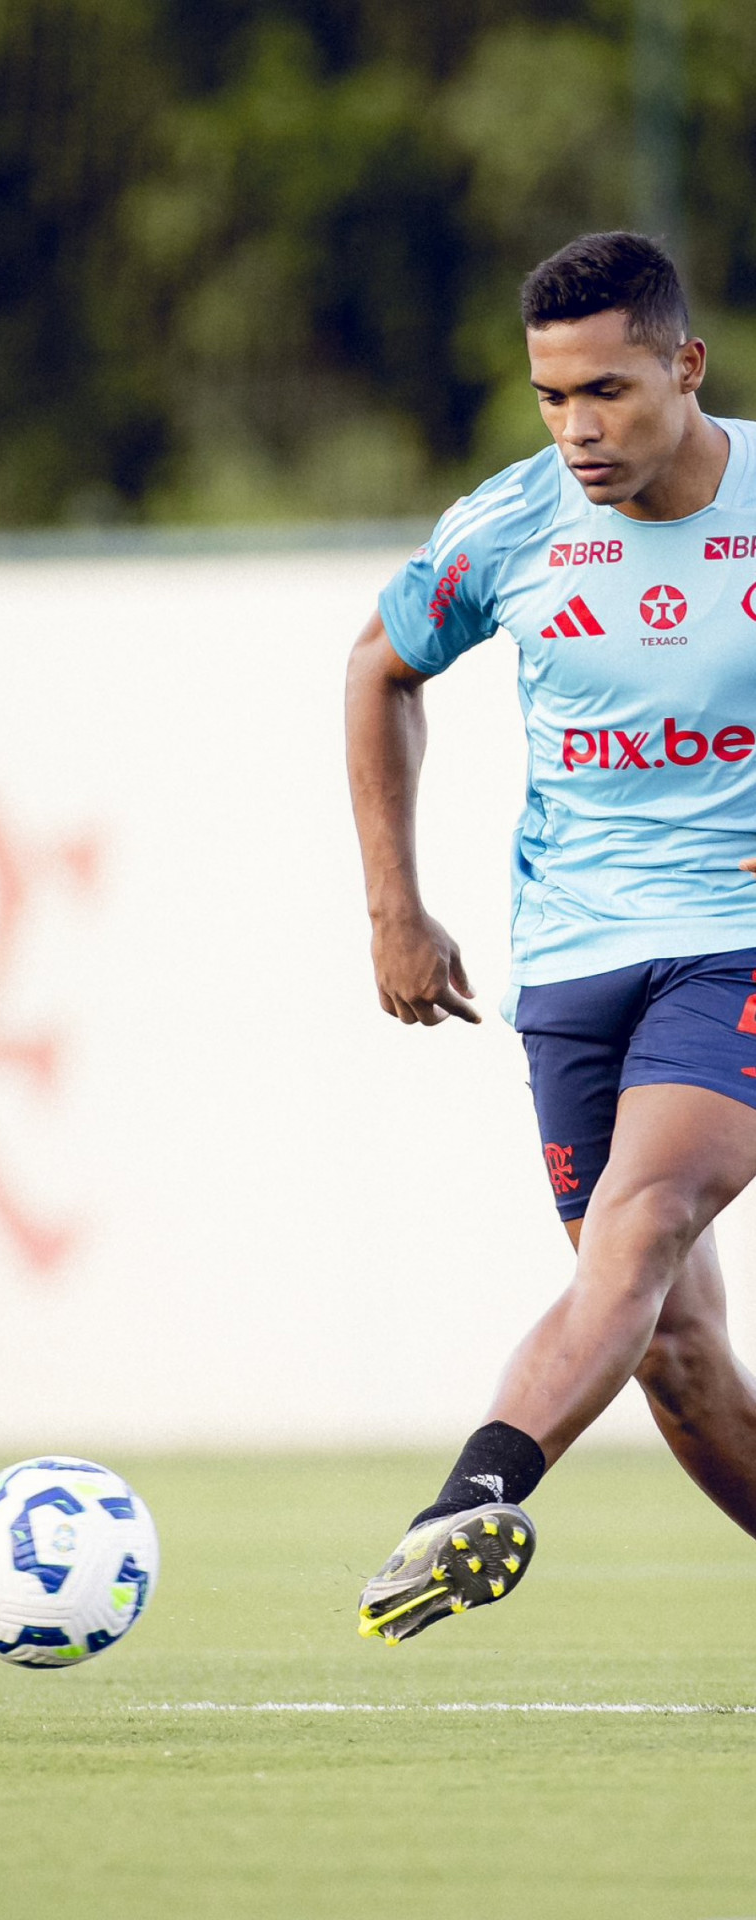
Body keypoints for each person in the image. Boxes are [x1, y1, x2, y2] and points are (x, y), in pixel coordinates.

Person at [346, 230, 756, 1644]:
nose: (577, 429)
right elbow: (380, 666)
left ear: (685, 367)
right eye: (552, 397)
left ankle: (472, 1494)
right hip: (574, 964)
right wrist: (395, 906)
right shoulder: (511, 526)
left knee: (641, 1222)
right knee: (675, 1352)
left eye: (608, 392)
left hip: (739, 947)